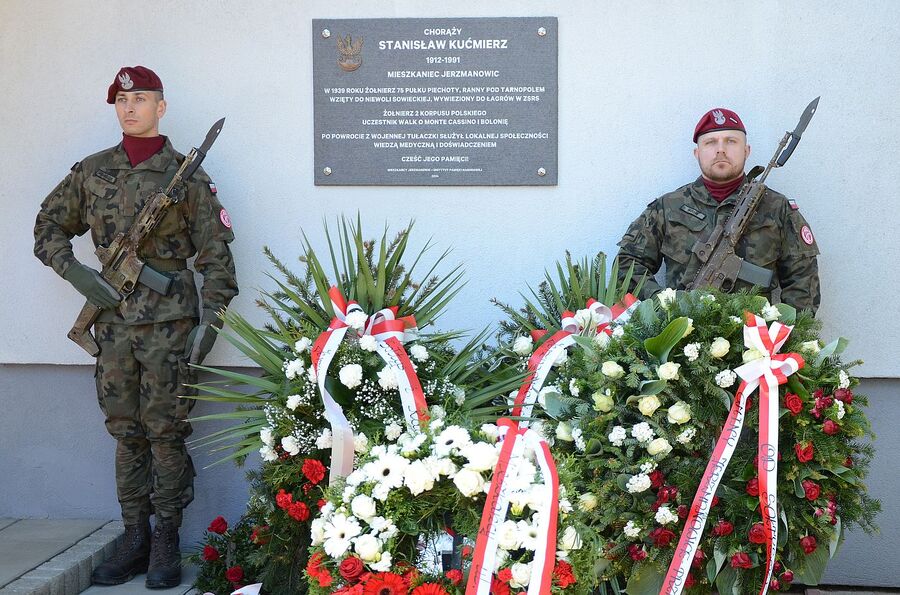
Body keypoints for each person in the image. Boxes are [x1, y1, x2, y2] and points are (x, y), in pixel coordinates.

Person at [33, 66, 238, 588]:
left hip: (170, 329)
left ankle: (166, 537)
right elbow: (48, 226)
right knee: (127, 434)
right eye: (122, 99)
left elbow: (216, 259)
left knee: (166, 433)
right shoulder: (93, 171)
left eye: (140, 98)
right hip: (115, 328)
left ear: (161, 107)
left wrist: (209, 323)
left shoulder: (186, 178)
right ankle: (134, 536)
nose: (129, 107)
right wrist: (76, 272)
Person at [615, 107, 820, 313]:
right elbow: (627, 265)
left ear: (746, 150)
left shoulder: (778, 209)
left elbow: (803, 281)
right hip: (681, 337)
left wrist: (781, 334)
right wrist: (664, 306)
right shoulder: (667, 208)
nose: (720, 150)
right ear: (697, 153)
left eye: (731, 141)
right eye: (710, 142)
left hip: (755, 339)